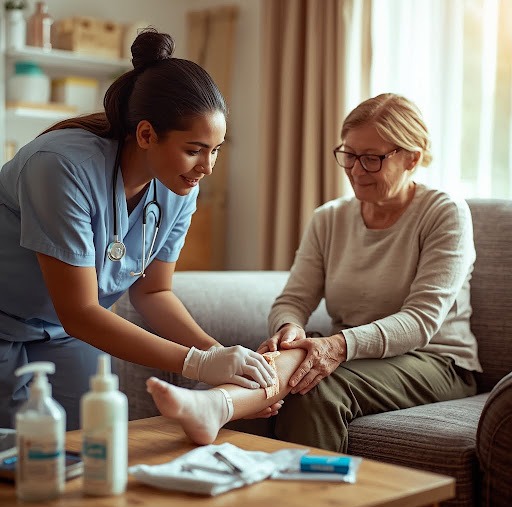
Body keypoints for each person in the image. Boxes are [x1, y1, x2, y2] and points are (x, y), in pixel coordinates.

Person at [143, 93, 480, 452]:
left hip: (437, 360)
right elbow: (294, 299)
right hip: (358, 355)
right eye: (349, 155)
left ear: (412, 157)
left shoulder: (445, 213)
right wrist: (290, 329)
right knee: (263, 368)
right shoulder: (330, 218)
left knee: (313, 387)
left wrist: (337, 345)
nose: (355, 170)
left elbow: (420, 321)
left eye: (372, 159)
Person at [0, 28, 276, 431]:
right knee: (19, 464)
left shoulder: (178, 187)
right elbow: (80, 311)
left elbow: (153, 292)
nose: (207, 167)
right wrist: (195, 362)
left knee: (95, 443)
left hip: (61, 332)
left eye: (215, 150)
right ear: (146, 134)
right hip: (22, 320)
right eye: (194, 149)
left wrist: (223, 360)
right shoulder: (60, 167)